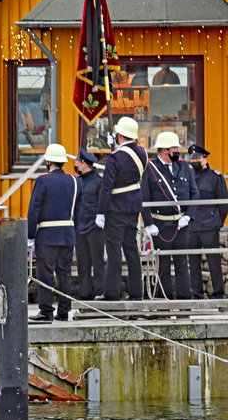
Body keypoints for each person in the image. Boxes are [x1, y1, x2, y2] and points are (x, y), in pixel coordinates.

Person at [97, 116, 147, 301]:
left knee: (114, 252)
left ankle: (111, 293)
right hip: (133, 207)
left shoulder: (115, 158)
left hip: (116, 209)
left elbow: (106, 187)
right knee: (132, 250)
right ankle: (136, 293)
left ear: (119, 135)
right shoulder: (142, 153)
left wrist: (101, 212)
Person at [27, 144, 78, 322]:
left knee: (46, 273)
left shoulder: (43, 180)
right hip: (67, 234)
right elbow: (77, 209)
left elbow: (34, 210)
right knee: (64, 273)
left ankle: (46, 311)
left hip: (47, 234)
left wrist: (30, 235)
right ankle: (64, 311)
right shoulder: (73, 180)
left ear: (48, 161)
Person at [142, 131, 195, 299]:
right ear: (165, 150)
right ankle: (163, 302)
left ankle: (184, 304)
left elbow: (195, 193)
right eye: (174, 149)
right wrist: (149, 223)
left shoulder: (184, 167)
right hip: (161, 225)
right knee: (162, 265)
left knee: (181, 264)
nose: (178, 152)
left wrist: (188, 216)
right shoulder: (150, 168)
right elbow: (144, 198)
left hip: (181, 224)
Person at [187, 144, 228, 299]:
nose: (195, 161)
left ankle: (217, 294)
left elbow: (223, 202)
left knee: (214, 261)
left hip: (210, 225)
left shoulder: (215, 177)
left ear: (205, 159)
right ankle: (196, 295)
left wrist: (217, 221)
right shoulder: (189, 177)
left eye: (197, 158)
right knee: (193, 262)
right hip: (192, 226)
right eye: (193, 158)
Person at [74, 148, 105, 303]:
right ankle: (85, 293)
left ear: (84, 164)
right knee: (82, 262)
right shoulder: (77, 181)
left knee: (97, 260)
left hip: (94, 228)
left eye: (77, 162)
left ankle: (100, 291)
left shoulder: (99, 182)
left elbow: (103, 204)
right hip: (79, 227)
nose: (76, 165)